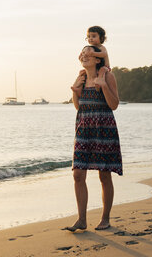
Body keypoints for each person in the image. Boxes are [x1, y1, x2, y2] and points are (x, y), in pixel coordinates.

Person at [64, 45, 123, 232]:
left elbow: (114, 104)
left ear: (98, 59)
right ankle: (81, 219)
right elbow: (78, 107)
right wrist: (75, 90)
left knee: (104, 175)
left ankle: (105, 219)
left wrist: (103, 85)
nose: (84, 55)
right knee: (78, 174)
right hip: (83, 129)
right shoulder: (81, 77)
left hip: (103, 129)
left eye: (88, 52)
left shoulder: (107, 76)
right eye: (82, 52)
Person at [76, 26, 111, 95]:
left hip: (105, 67)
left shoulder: (101, 47)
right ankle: (78, 89)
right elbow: (80, 57)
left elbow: (103, 54)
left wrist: (93, 53)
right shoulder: (88, 48)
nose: (91, 38)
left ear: (101, 38)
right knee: (82, 73)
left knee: (101, 71)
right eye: (89, 37)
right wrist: (81, 57)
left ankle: (98, 84)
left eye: (93, 36)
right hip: (95, 69)